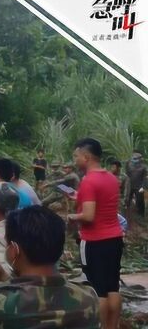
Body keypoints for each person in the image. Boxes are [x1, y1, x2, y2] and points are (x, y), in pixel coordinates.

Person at [68, 138, 124, 329]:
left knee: (97, 290)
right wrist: (79, 197)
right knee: (112, 287)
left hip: (94, 241)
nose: (75, 160)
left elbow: (89, 216)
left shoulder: (88, 181)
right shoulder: (111, 178)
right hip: (115, 238)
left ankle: (99, 326)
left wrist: (72, 216)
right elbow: (101, 202)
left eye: (76, 156)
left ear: (86, 157)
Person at [125, 150, 147, 217]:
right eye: (133, 158)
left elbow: (145, 178)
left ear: (140, 159)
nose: (134, 160)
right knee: (128, 199)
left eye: (136, 158)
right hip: (131, 186)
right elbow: (128, 174)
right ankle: (127, 214)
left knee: (140, 201)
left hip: (139, 187)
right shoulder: (130, 166)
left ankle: (141, 215)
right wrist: (126, 164)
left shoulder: (143, 167)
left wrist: (143, 187)